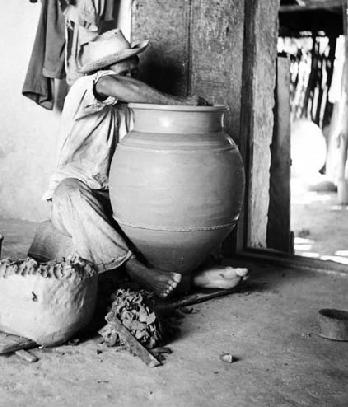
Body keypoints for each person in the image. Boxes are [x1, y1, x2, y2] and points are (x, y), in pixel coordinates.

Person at [41, 29, 248, 297]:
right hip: (74, 201)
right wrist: (181, 103)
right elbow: (111, 85)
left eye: (134, 73)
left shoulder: (133, 113)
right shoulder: (83, 91)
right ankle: (138, 271)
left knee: (164, 208)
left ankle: (193, 277)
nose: (132, 79)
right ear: (103, 71)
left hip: (116, 202)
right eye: (125, 73)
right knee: (69, 194)